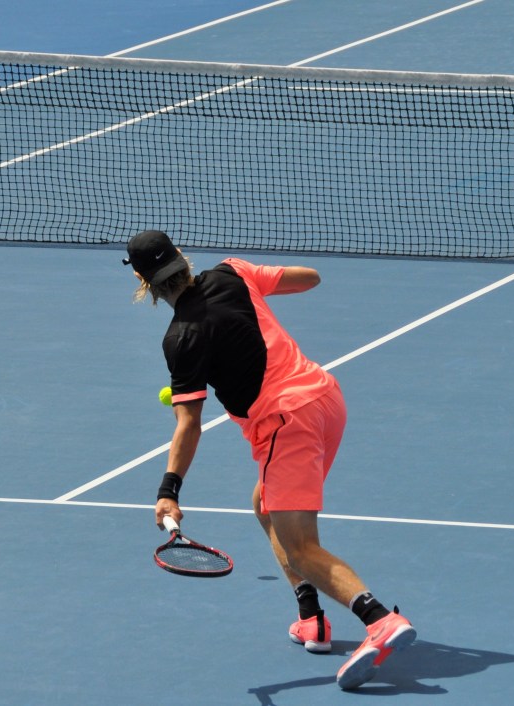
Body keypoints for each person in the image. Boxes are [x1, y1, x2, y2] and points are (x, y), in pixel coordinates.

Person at [123, 229, 416, 690]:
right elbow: (309, 277)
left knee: (301, 547)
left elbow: (189, 424)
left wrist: (168, 492)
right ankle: (311, 617)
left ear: (143, 282)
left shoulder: (181, 339)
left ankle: (379, 619)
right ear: (181, 256)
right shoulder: (234, 271)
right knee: (265, 504)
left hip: (286, 423)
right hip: (325, 401)